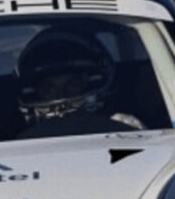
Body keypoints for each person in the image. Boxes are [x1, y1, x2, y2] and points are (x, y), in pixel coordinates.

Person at [13, 28, 141, 137]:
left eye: (72, 85)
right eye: (48, 89)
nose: (60, 95)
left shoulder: (127, 132)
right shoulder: (13, 150)